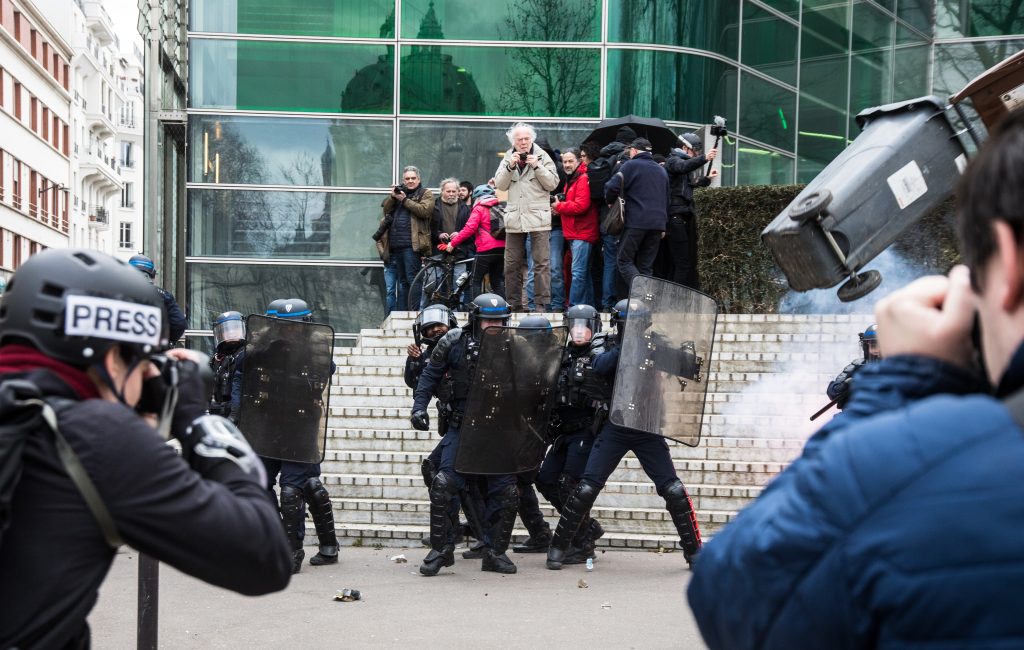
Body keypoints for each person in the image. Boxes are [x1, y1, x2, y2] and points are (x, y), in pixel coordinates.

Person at [687, 107, 1024, 648]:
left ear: (1006, 261)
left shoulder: (915, 463)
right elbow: (834, 390)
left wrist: (908, 379)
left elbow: (734, 595)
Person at [0, 249, 291, 648]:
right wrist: (195, 419)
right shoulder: (95, 436)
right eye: (143, 361)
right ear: (112, 357)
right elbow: (264, 558)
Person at [546, 298, 701, 570]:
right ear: (618, 324)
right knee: (586, 488)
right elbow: (599, 366)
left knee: (673, 489)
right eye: (629, 323)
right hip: (615, 426)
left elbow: (689, 369)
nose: (633, 327)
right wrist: (628, 346)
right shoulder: (606, 344)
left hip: (646, 427)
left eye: (638, 324)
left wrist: (683, 353)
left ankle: (695, 552)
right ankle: (559, 547)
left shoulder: (654, 344)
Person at [410, 293, 520, 576]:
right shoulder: (453, 342)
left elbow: (534, 383)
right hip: (463, 427)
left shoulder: (514, 345)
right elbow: (429, 376)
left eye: (499, 320)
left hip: (499, 430)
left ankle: (495, 552)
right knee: (444, 484)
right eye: (488, 321)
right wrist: (418, 407)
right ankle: (442, 549)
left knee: (507, 493)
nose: (494, 325)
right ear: (475, 319)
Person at [231, 298, 339, 573]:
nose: (290, 330)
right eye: (284, 325)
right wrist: (236, 410)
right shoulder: (258, 345)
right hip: (265, 425)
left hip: (300, 425)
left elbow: (327, 370)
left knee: (295, 490)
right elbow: (239, 375)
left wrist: (298, 356)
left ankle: (298, 549)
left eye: (295, 325)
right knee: (259, 483)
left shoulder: (316, 346)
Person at [534, 304, 606, 562]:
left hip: (587, 429)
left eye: (583, 327)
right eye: (573, 326)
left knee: (569, 484)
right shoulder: (560, 355)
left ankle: (583, 543)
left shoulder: (601, 356)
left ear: (593, 329)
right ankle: (587, 527)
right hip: (563, 430)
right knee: (545, 479)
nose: (578, 332)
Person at [494, 122, 560, 312]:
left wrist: (537, 166)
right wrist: (510, 165)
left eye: (526, 139)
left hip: (539, 218)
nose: (523, 143)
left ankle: (541, 305)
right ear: (513, 141)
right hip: (515, 218)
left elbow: (552, 184)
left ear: (531, 139)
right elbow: (500, 185)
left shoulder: (542, 156)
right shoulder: (507, 157)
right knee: (511, 264)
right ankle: (514, 305)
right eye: (519, 139)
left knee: (541, 263)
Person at [605, 138, 670, 289]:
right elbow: (667, 199)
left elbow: (611, 187)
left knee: (624, 260)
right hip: (657, 224)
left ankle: (642, 292)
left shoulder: (630, 165)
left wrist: (610, 201)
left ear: (634, 151)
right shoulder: (662, 170)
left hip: (636, 222)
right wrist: (663, 226)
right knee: (646, 266)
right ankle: (644, 305)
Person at [376, 166, 436, 313]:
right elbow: (385, 210)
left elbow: (424, 211)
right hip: (396, 246)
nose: (410, 181)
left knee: (413, 279)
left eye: (413, 178)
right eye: (407, 179)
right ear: (403, 180)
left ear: (418, 179)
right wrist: (393, 196)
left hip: (412, 245)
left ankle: (413, 311)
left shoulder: (425, 193)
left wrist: (404, 200)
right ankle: (403, 312)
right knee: (402, 282)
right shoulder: (399, 195)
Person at [664, 134, 718, 289]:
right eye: (694, 151)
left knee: (682, 262)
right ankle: (676, 299)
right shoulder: (673, 161)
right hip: (675, 217)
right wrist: (705, 158)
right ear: (684, 148)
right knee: (682, 263)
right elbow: (682, 167)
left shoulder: (682, 164)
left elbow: (691, 185)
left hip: (682, 216)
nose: (695, 154)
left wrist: (707, 179)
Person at [554, 147, 600, 307]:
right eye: (564, 161)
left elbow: (581, 206)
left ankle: (575, 308)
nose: (567, 164)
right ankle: (587, 308)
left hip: (582, 233)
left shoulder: (582, 178)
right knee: (583, 274)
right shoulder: (572, 180)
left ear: (578, 161)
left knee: (578, 273)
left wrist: (559, 207)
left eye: (570, 161)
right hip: (575, 233)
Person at [442, 184, 505, 300]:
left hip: (486, 250)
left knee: (475, 280)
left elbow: (469, 229)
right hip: (502, 249)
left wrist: (453, 243)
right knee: (497, 281)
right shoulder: (501, 206)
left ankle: (474, 312)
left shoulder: (479, 208)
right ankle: (504, 311)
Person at [432, 177, 474, 309]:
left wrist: (460, 234)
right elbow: (428, 228)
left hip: (460, 251)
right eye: (448, 191)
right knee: (436, 281)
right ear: (442, 191)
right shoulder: (434, 206)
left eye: (453, 191)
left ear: (457, 192)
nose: (451, 194)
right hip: (438, 249)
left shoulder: (465, 208)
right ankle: (436, 310)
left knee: (459, 283)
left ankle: (457, 312)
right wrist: (438, 234)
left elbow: (471, 230)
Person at [128, 253, 187, 343]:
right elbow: (179, 324)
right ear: (152, 274)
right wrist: (166, 341)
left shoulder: (120, 292)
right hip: (154, 348)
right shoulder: (164, 296)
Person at [825, 323, 881, 410]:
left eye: (881, 345)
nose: (878, 350)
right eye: (874, 345)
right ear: (866, 347)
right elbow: (832, 391)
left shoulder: (898, 367)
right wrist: (846, 385)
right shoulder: (857, 366)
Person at [208, 310, 246, 419]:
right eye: (227, 330)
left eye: (235, 328)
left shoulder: (246, 355)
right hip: (218, 413)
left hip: (238, 414)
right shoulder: (217, 358)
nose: (231, 332)